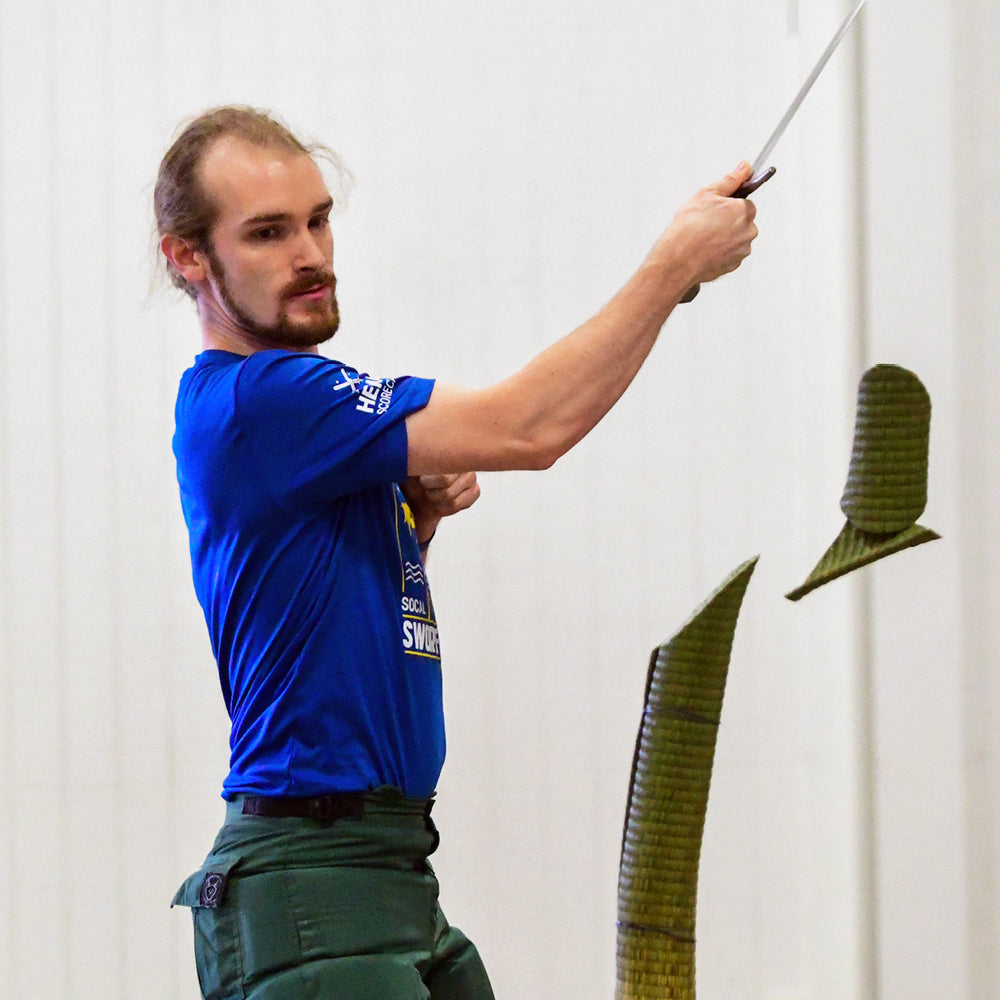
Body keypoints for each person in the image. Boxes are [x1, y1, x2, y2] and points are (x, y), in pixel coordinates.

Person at [157, 105, 758, 1000]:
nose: (311, 253)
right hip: (311, 881)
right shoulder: (265, 399)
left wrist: (414, 527)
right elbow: (531, 426)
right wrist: (671, 266)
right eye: (269, 233)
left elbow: (331, 632)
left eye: (318, 220)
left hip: (389, 868)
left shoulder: (299, 427)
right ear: (189, 257)